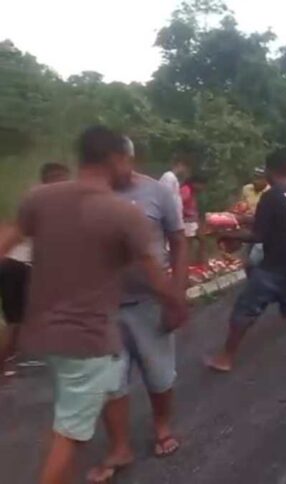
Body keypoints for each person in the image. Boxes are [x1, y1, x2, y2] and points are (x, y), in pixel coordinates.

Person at [0, 126, 187, 484]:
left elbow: (6, 244)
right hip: (91, 333)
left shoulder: (40, 197)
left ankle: (149, 433)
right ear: (116, 158)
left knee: (89, 407)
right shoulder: (121, 212)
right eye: (126, 159)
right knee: (72, 430)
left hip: (51, 333)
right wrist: (176, 304)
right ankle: (116, 448)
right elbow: (155, 275)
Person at [87, 137, 189, 483]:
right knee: (109, 382)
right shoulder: (88, 195)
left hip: (150, 302)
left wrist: (176, 292)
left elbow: (178, 239)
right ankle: (119, 447)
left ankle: (162, 426)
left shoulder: (157, 192)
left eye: (113, 160)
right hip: (103, 306)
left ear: (128, 158)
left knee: (159, 374)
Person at [206, 149, 286, 372]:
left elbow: (259, 235)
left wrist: (228, 234)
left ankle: (225, 358)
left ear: (270, 170)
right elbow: (280, 220)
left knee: (245, 309)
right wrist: (240, 219)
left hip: (277, 263)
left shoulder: (271, 196)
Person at [0, 163, 71, 380]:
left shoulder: (35, 198)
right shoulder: (49, 202)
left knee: (21, 321)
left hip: (17, 264)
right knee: (17, 323)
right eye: (62, 179)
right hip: (20, 266)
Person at [180, 175, 207, 265]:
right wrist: (187, 213)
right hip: (186, 221)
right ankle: (186, 263)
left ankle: (198, 262)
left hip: (192, 220)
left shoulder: (193, 192)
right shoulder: (186, 190)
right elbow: (179, 204)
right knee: (188, 244)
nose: (202, 188)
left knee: (201, 240)